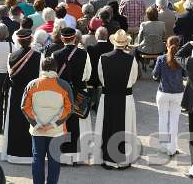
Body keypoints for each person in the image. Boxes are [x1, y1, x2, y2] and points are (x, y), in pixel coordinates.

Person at [21, 56, 73, 184]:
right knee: (54, 160)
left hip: (37, 130)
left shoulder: (32, 84)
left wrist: (37, 123)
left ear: (42, 68)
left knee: (37, 159)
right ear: (56, 69)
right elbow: (69, 108)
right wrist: (53, 124)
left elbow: (25, 107)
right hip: (57, 130)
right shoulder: (64, 85)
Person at [94, 29, 138, 168]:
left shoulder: (103, 58)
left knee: (106, 126)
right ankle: (123, 160)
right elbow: (133, 79)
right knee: (125, 127)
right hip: (125, 98)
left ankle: (106, 159)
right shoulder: (131, 59)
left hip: (108, 96)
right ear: (125, 43)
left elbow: (101, 78)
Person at [50, 27, 91, 164]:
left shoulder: (55, 55)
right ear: (75, 38)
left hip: (61, 92)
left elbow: (53, 76)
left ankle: (62, 156)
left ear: (62, 39)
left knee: (62, 122)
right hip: (78, 92)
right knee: (78, 123)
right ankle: (77, 157)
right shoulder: (84, 54)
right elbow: (87, 75)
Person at [1, 29, 41, 164]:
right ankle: (30, 154)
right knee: (30, 122)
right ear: (31, 40)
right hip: (32, 93)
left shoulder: (11, 56)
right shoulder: (39, 56)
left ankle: (12, 154)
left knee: (14, 122)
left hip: (16, 93)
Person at [151, 36, 185, 156]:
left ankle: (163, 146)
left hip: (163, 92)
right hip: (178, 93)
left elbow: (155, 75)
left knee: (163, 119)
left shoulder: (161, 59)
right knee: (174, 121)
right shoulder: (182, 59)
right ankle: (172, 148)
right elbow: (185, 74)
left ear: (167, 45)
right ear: (179, 46)